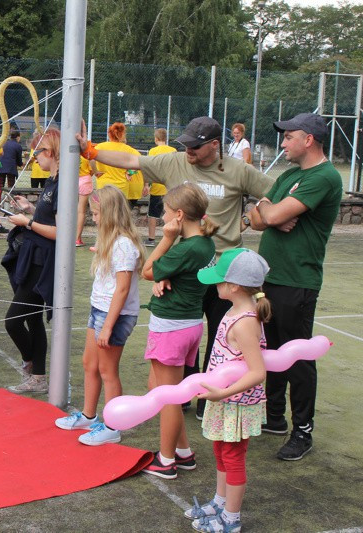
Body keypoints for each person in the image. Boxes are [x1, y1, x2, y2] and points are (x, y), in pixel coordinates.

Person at [79, 116, 275, 420]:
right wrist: (91, 152)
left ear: (214, 145)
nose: (188, 151)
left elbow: (273, 190)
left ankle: (213, 398)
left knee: (223, 337)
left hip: (224, 268)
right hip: (184, 265)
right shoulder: (174, 162)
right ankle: (183, 396)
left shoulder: (238, 169)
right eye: (186, 144)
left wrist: (254, 216)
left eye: (195, 146)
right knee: (187, 333)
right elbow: (132, 158)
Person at [248, 112, 342, 461]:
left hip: (297, 281)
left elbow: (268, 217)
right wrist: (265, 208)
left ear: (309, 140)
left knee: (298, 356)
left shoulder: (325, 176)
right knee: (270, 350)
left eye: (289, 137)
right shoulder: (289, 175)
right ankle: (274, 418)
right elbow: (259, 219)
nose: (283, 143)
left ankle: (303, 430)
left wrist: (269, 213)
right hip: (269, 278)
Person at [186, 248, 271, 533]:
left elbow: (258, 372)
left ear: (233, 286)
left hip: (235, 401)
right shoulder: (233, 310)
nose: (216, 284)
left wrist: (221, 394)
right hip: (224, 397)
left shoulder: (245, 322)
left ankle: (231, 519)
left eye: (220, 280)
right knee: (221, 451)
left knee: (233, 457)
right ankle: (220, 502)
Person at [139, 183, 218, 479]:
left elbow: (147, 269)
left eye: (167, 212)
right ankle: (183, 452)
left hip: (172, 326)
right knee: (158, 389)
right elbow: (163, 273)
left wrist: (166, 239)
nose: (163, 216)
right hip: (188, 325)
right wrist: (164, 277)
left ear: (180, 215)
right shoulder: (206, 243)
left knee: (168, 396)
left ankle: (166, 459)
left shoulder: (187, 246)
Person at [55, 186, 143, 445]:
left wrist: (108, 327)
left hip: (114, 315)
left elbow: (123, 288)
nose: (93, 218)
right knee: (89, 364)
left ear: (110, 213)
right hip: (100, 310)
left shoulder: (124, 244)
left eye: (96, 213)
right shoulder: (112, 241)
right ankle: (89, 416)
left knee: (107, 370)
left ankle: (113, 427)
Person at [2, 128, 61, 393]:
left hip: (44, 261)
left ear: (49, 152)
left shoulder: (62, 184)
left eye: (36, 152)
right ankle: (38, 377)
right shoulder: (52, 179)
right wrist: (30, 209)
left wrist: (28, 221)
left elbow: (61, 232)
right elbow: (47, 218)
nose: (32, 157)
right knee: (32, 319)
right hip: (34, 255)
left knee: (13, 320)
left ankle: (31, 365)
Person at [90, 122, 142, 200]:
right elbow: (141, 163)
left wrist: (95, 172)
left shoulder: (100, 146)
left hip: (103, 184)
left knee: (104, 209)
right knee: (119, 210)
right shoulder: (128, 149)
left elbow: (91, 158)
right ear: (123, 135)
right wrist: (130, 173)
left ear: (109, 134)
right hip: (121, 186)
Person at [144, 128, 176, 247]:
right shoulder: (173, 150)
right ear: (166, 138)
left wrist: (146, 185)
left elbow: (148, 168)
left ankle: (151, 239)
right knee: (171, 213)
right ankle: (170, 238)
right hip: (169, 187)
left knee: (153, 214)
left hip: (157, 187)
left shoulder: (153, 151)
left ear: (156, 139)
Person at [75, 156, 94, 247]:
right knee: (81, 211)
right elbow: (92, 170)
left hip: (70, 180)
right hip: (84, 179)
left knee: (67, 209)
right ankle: (77, 239)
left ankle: (65, 236)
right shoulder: (86, 154)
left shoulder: (65, 152)